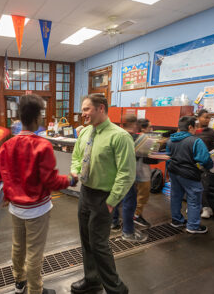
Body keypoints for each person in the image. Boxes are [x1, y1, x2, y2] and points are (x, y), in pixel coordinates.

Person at [0, 94, 76, 294]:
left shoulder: (6, 146)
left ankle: (19, 282)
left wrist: (7, 196)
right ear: (38, 118)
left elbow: (3, 176)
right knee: (34, 253)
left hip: (16, 208)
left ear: (20, 117)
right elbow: (51, 181)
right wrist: (71, 180)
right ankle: (36, 290)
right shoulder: (42, 145)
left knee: (18, 246)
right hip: (37, 210)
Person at [70, 94, 135, 294]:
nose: (83, 114)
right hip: (86, 193)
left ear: (100, 108)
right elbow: (77, 156)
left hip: (104, 197)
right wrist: (75, 169)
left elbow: (126, 173)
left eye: (86, 109)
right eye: (83, 110)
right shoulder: (85, 133)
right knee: (86, 239)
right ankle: (92, 279)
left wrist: (112, 201)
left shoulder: (120, 136)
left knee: (99, 244)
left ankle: (116, 289)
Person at [167, 116, 213, 234]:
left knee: (176, 197)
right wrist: (210, 166)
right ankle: (193, 226)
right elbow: (205, 159)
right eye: (195, 127)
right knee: (194, 199)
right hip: (189, 174)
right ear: (190, 127)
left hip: (173, 172)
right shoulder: (195, 141)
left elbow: (168, 156)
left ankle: (176, 221)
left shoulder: (171, 140)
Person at [111, 115, 148, 242]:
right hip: (127, 174)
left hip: (114, 173)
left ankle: (113, 223)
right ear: (134, 125)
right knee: (129, 203)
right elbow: (142, 155)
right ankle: (128, 232)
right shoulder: (132, 138)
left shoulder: (115, 135)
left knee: (115, 199)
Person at [133, 118, 158, 228]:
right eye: (149, 127)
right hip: (141, 173)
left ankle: (133, 214)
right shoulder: (147, 139)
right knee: (143, 196)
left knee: (133, 196)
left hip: (131, 172)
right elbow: (149, 157)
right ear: (143, 128)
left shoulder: (132, 137)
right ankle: (137, 216)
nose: (151, 129)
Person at [194, 109, 214, 219]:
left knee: (204, 186)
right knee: (193, 186)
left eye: (209, 117)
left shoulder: (211, 132)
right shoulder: (193, 130)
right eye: (205, 117)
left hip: (205, 163)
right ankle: (197, 206)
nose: (208, 120)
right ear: (198, 117)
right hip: (192, 162)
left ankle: (206, 208)